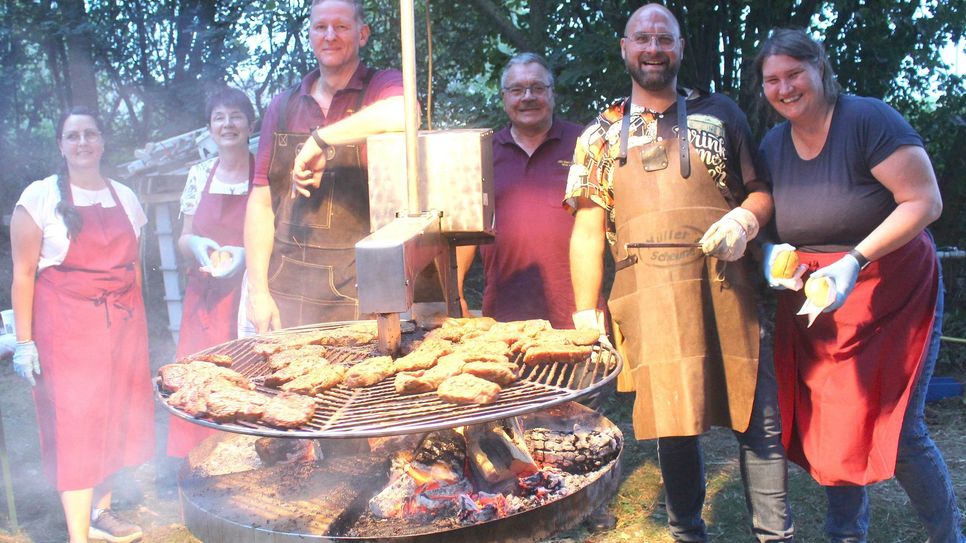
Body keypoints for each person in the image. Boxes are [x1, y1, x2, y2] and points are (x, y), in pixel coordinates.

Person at [566, 5, 793, 541]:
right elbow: (586, 227)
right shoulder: (599, 132)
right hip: (648, 292)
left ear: (680, 47)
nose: (652, 48)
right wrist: (584, 310)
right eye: (642, 38)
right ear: (624, 48)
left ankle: (776, 535)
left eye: (663, 38)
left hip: (724, 287)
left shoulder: (722, 114)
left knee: (758, 419)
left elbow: (762, 192)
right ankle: (687, 531)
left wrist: (745, 217)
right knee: (674, 422)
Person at [754, 28, 963, 542]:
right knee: (832, 427)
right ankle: (846, 537)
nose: (784, 88)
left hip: (893, 292)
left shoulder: (868, 120)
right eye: (772, 80)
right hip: (819, 306)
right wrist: (773, 255)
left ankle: (948, 535)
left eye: (794, 74)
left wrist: (854, 260)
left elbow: (923, 201)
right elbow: (772, 223)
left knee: (904, 430)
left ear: (820, 69)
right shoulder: (773, 144)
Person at [10, 106, 154, 543]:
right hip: (68, 328)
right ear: (61, 145)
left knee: (114, 416)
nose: (83, 143)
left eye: (90, 134)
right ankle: (78, 534)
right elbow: (23, 274)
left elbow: (134, 267)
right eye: (73, 136)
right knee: (77, 423)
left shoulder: (126, 196)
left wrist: (137, 327)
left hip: (123, 324)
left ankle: (101, 514)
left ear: (102, 141)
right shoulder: (38, 197)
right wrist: (24, 342)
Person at [244, 0, 405, 332]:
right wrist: (257, 291)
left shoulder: (380, 87)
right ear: (310, 35)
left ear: (362, 35)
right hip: (284, 290)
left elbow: (405, 113)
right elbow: (261, 203)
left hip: (359, 292)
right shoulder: (284, 105)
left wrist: (320, 141)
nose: (330, 36)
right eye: (320, 27)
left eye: (342, 27)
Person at [456, 52, 583, 328]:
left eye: (537, 88)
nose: (527, 97)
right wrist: (456, 294)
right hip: (502, 318)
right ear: (504, 98)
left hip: (578, 315)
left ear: (552, 94)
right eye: (517, 90)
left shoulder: (584, 144)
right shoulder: (482, 154)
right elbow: (466, 231)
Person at [166, 87, 256, 458]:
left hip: (249, 294)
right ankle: (198, 460)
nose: (227, 124)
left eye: (235, 116)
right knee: (201, 379)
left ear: (250, 124)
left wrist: (246, 253)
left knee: (247, 379)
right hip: (204, 297)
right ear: (209, 128)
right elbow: (183, 238)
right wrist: (199, 244)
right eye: (219, 117)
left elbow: (279, 234)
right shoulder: (199, 174)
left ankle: (248, 458)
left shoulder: (263, 173)